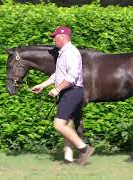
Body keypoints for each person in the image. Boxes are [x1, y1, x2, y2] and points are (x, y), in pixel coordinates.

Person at [31, 26, 95, 165]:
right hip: (69, 91)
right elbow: (57, 75)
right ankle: (68, 157)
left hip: (72, 92)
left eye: (54, 37)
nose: (53, 40)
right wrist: (42, 85)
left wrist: (57, 89)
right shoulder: (63, 53)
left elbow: (72, 77)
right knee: (66, 124)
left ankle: (84, 149)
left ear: (62, 37)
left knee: (59, 125)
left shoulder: (71, 53)